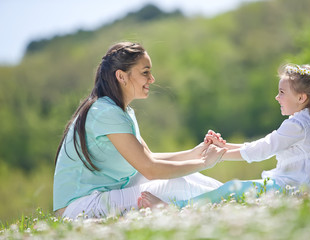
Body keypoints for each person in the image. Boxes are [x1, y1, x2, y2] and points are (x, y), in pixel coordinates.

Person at [53, 42, 227, 219]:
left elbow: (148, 158)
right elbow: (150, 169)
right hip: (80, 207)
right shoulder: (105, 113)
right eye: (145, 72)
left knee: (189, 178)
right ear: (121, 76)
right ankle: (234, 200)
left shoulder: (121, 111)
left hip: (108, 193)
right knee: (174, 183)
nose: (152, 79)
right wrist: (204, 162)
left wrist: (194, 153)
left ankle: (240, 192)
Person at [138, 63, 310, 208]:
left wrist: (219, 154)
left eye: (282, 92)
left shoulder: (298, 124)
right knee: (233, 191)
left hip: (291, 190)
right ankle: (178, 207)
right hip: (294, 188)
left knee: (233, 189)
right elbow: (262, 145)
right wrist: (223, 146)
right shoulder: (307, 121)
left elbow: (262, 149)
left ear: (301, 98)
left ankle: (174, 209)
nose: (277, 97)